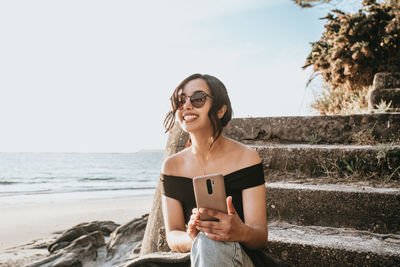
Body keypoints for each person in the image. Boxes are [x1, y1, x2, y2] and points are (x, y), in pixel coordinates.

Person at [160, 73, 269, 267]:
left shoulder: (247, 158)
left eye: (198, 99)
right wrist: (192, 237)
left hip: (240, 257)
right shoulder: (171, 166)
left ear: (220, 110)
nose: (186, 105)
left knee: (211, 242)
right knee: (206, 241)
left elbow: (260, 235)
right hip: (196, 256)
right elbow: (173, 235)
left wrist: (240, 231)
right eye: (180, 100)